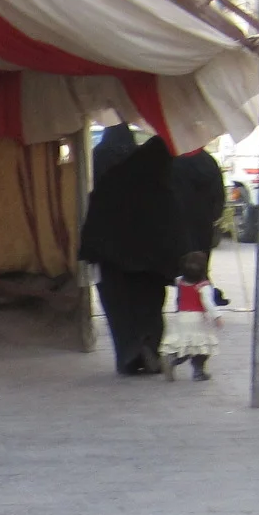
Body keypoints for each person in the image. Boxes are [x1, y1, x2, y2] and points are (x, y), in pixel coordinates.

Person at [79, 125, 179, 376]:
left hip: (113, 261)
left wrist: (89, 252)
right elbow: (172, 224)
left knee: (119, 308)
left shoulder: (105, 185)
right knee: (150, 306)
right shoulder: (156, 186)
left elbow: (94, 225)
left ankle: (128, 355)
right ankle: (148, 344)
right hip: (150, 262)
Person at [161, 250, 227, 382]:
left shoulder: (179, 281)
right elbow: (208, 302)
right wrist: (217, 316)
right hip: (197, 319)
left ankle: (173, 360)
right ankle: (198, 372)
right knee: (200, 348)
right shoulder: (203, 286)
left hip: (181, 317)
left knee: (183, 344)